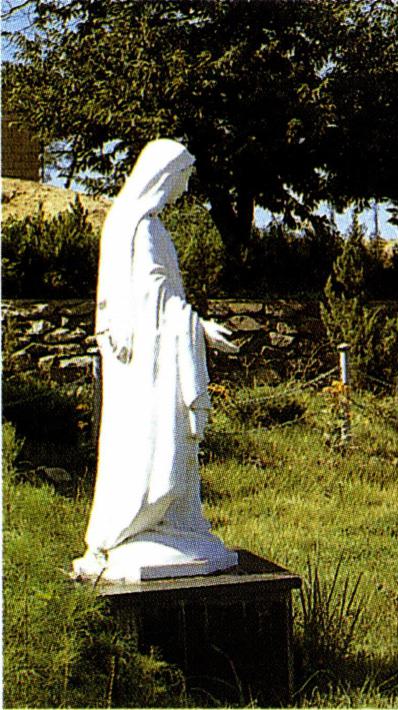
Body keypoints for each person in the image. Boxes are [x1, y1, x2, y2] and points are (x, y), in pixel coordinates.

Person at [72, 139, 239, 583]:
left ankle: (166, 524)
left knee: (160, 443)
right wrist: (201, 329)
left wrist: (193, 326)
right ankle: (135, 525)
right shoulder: (139, 228)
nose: (185, 188)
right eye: (183, 177)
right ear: (165, 175)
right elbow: (154, 302)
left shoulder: (139, 224)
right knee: (148, 441)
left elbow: (161, 299)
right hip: (148, 366)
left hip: (155, 358)